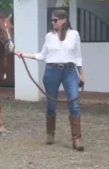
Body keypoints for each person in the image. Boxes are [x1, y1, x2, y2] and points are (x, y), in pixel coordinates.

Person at [15, 9, 85, 151]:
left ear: (64, 20)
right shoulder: (49, 36)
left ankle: (76, 139)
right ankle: (50, 134)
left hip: (70, 71)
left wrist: (81, 73)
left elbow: (77, 56)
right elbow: (42, 55)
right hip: (51, 71)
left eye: (55, 20)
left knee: (74, 104)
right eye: (52, 20)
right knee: (51, 104)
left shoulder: (74, 34)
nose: (53, 22)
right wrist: (25, 55)